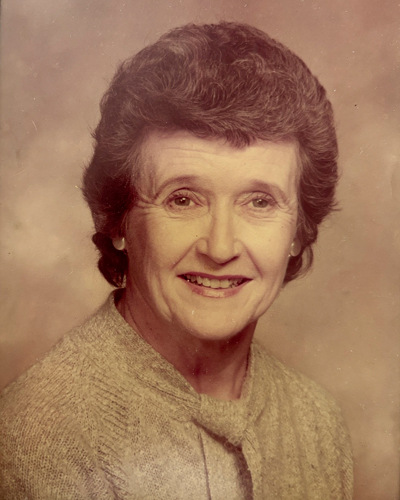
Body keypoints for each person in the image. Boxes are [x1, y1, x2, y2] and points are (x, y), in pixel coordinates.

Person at [0, 22, 353, 499]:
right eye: (183, 199)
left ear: (298, 231)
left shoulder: (317, 421)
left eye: (260, 202)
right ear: (119, 219)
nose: (221, 246)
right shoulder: (39, 434)